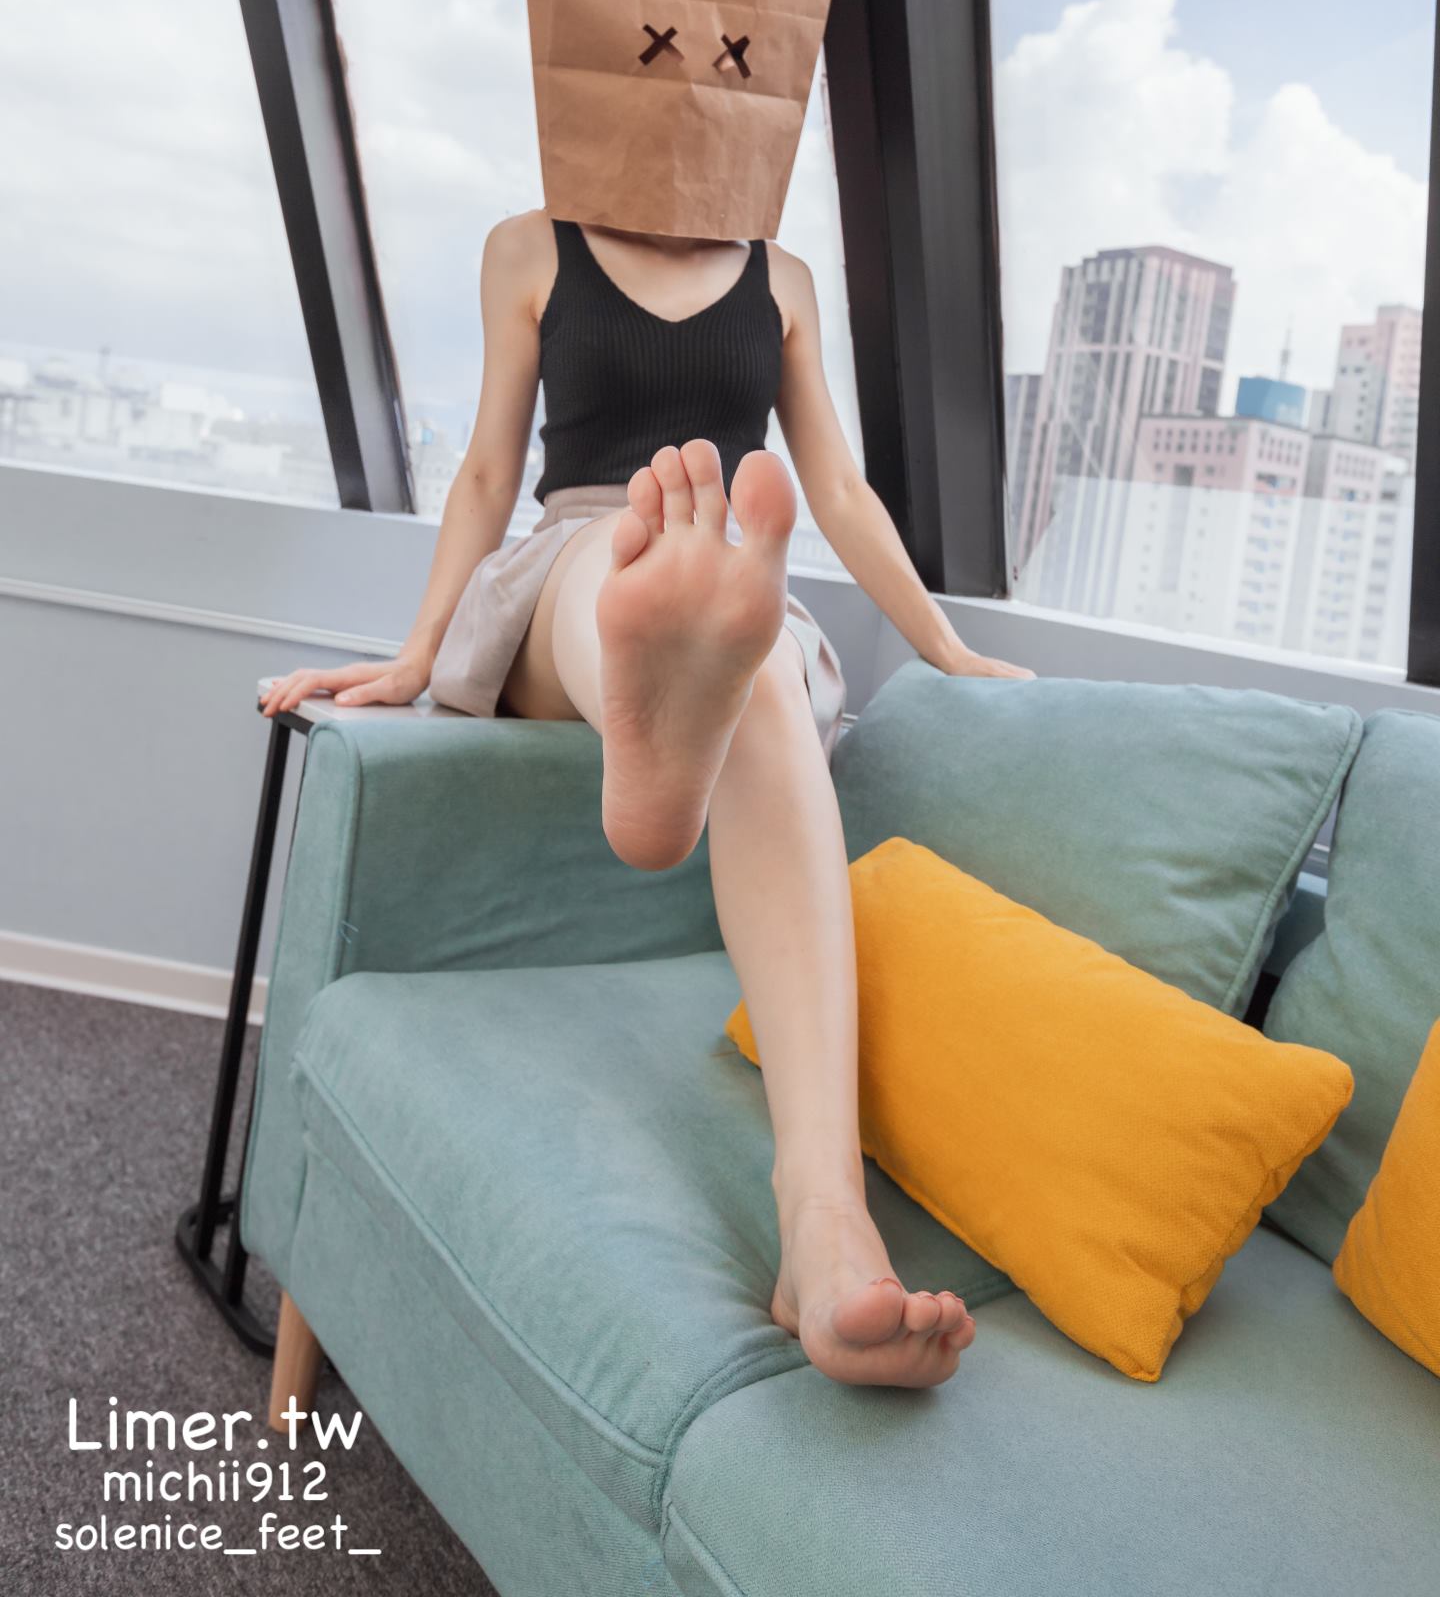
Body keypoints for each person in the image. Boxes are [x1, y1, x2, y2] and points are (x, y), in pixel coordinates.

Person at [263, 209, 1034, 1391]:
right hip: (573, 563)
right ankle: (663, 677)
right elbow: (488, 472)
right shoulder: (531, 248)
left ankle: (827, 1233)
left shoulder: (782, 280)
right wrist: (417, 657)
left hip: (732, 574)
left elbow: (835, 485)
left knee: (753, 663)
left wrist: (948, 647)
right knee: (626, 575)